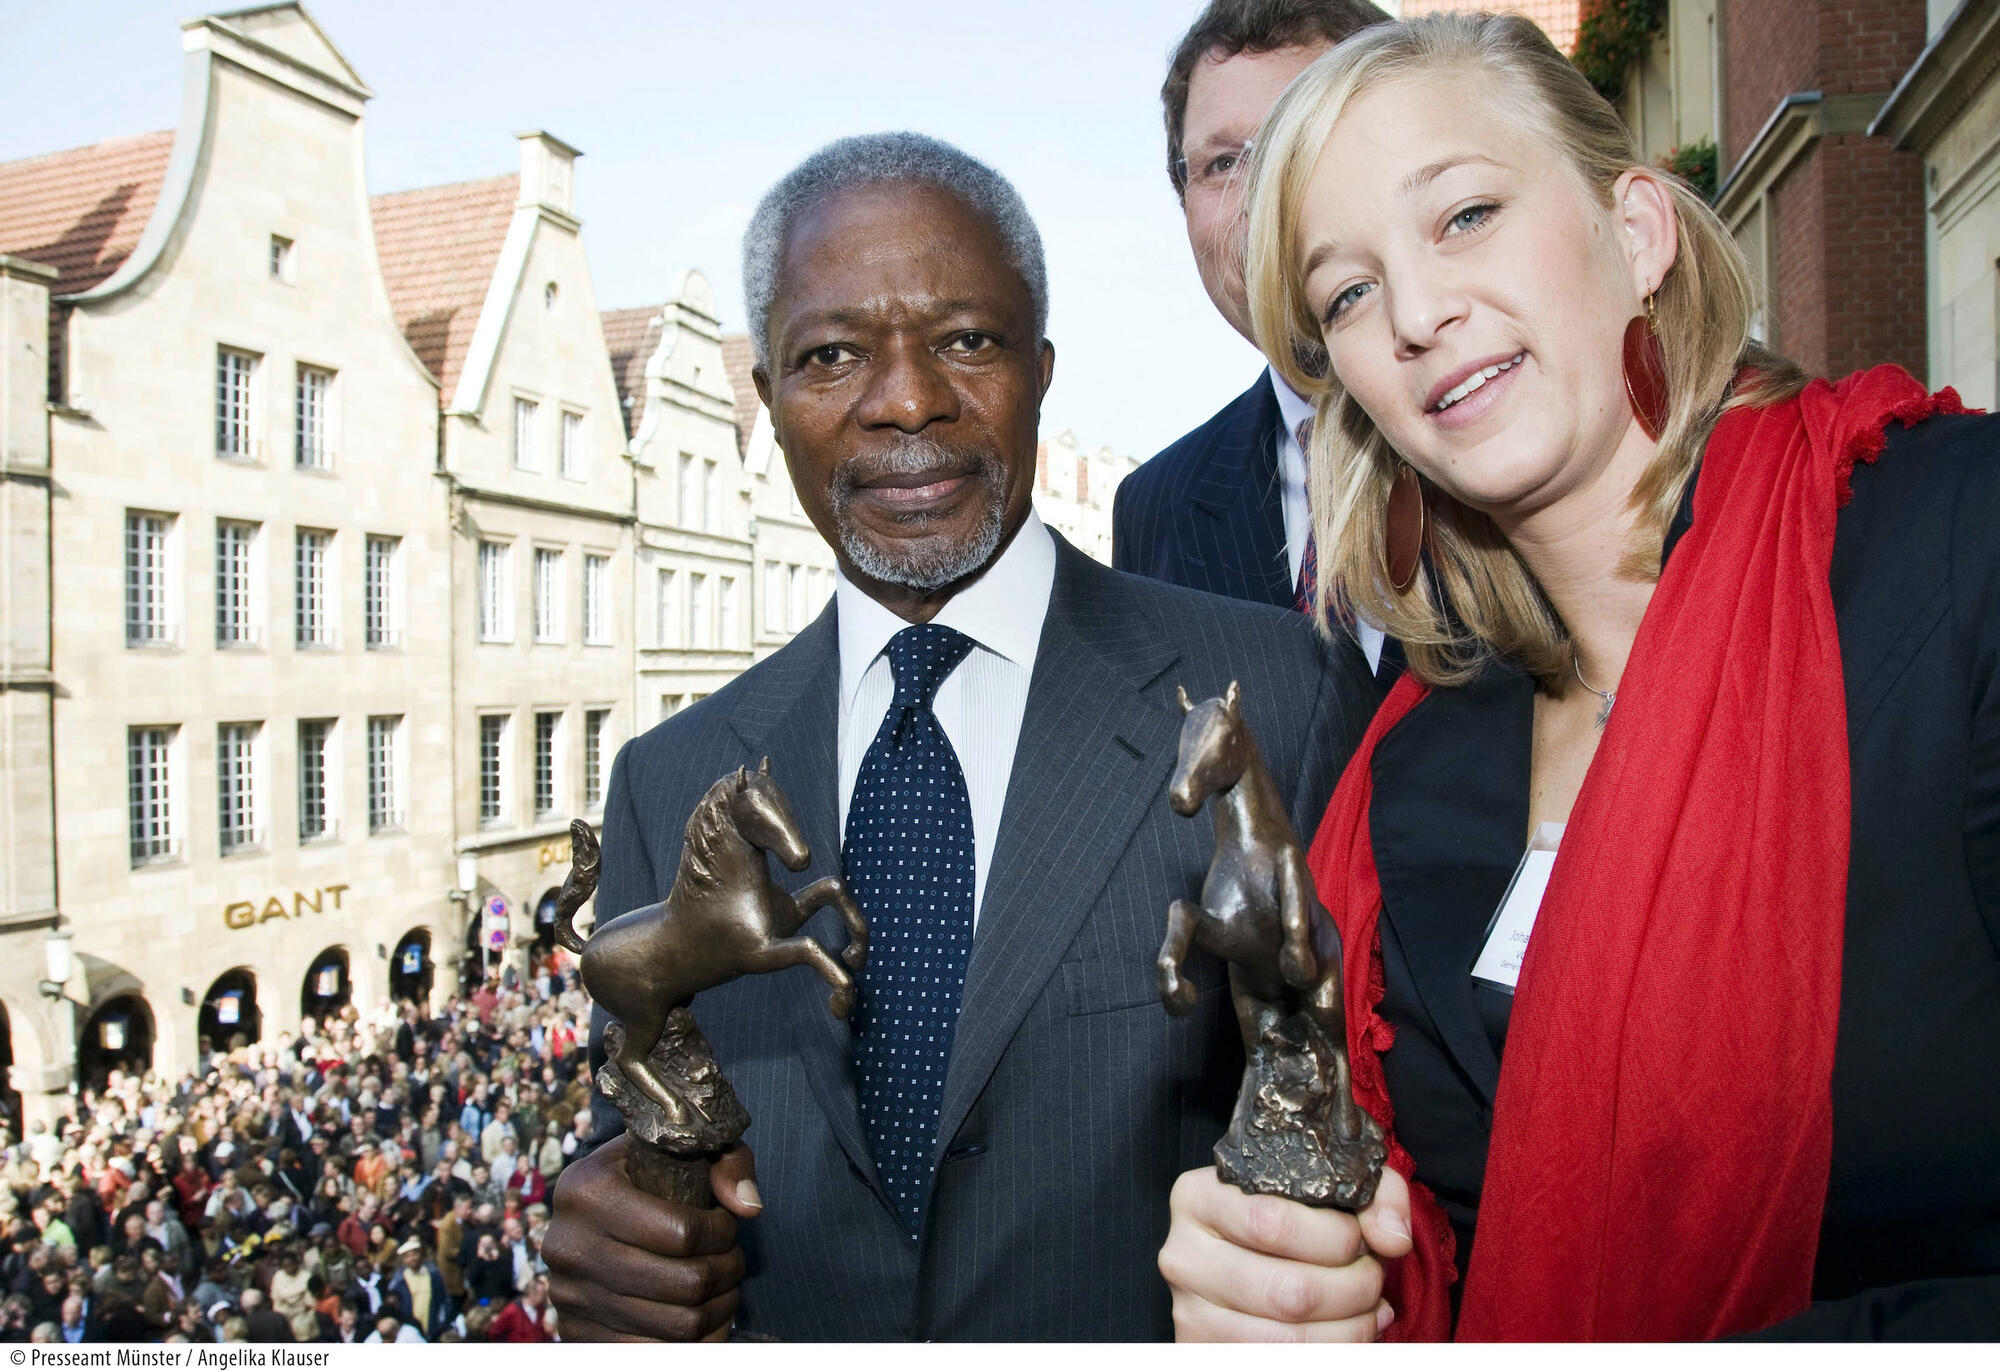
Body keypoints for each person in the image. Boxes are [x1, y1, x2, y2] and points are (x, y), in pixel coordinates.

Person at [1157, 11, 2000, 1341]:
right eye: (1350, 294)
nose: (1421, 314)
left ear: (1639, 230)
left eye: (1468, 214)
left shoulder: (1962, 549)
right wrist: (1297, 1294)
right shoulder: (1402, 783)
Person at [542, 131, 1364, 1342]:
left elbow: (1368, 1100)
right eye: (830, 355)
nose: (906, 398)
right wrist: (609, 1226)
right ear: (766, 402)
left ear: (1038, 367)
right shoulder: (666, 781)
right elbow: (646, 1139)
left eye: (965, 340)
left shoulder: (1274, 697)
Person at [1114, 0, 1393, 688]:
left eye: (1301, 141)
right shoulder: (1156, 509)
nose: (1261, 197)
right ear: (1181, 202)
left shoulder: (1523, 439)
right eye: (1221, 163)